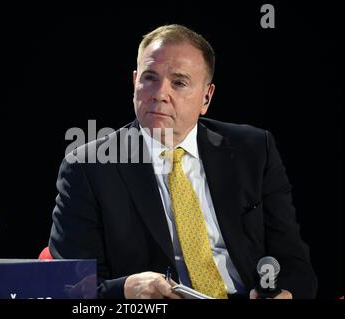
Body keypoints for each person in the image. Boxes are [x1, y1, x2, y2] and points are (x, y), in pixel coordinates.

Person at [48, 24, 317, 299]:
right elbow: (71, 289)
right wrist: (125, 290)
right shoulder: (89, 167)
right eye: (149, 78)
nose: (160, 94)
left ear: (206, 97)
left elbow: (293, 262)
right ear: (134, 83)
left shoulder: (254, 150)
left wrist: (286, 293)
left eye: (179, 82)